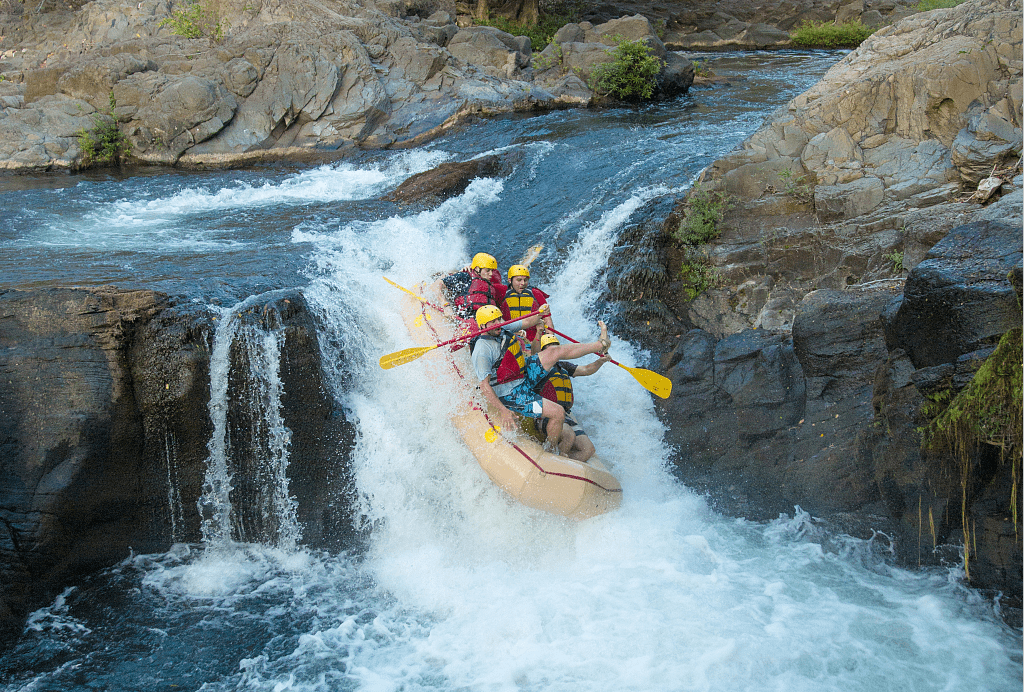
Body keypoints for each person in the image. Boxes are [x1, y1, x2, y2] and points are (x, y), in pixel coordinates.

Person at [471, 304, 611, 456]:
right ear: (483, 325)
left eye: (498, 319)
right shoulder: (482, 350)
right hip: (510, 392)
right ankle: (550, 449)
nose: (498, 323)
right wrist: (503, 411)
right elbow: (484, 385)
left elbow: (527, 322)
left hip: (523, 373)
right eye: (492, 322)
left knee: (554, 351)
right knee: (558, 412)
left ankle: (600, 345)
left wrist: (541, 313)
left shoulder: (503, 327)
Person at [533, 332, 610, 463]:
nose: (553, 351)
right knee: (569, 436)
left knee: (588, 449)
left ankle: (562, 465)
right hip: (545, 413)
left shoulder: (564, 366)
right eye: (549, 348)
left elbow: (586, 370)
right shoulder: (539, 366)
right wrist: (538, 331)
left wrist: (600, 361)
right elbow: (534, 353)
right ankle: (554, 462)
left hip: (565, 414)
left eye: (555, 347)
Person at [500, 264, 553, 353]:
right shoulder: (501, 293)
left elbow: (547, 320)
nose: (523, 283)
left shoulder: (536, 293)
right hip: (512, 340)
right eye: (519, 280)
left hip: (535, 340)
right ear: (510, 280)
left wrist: (550, 342)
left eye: (525, 280)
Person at [439, 252, 507, 318]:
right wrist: (446, 306)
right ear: (477, 268)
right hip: (468, 318)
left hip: (488, 321)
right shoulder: (465, 277)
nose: (491, 274)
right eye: (488, 270)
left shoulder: (491, 286)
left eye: (492, 271)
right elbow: (435, 287)